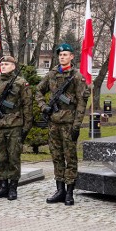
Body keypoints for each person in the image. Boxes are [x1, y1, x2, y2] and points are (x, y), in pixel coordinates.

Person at [35, 43, 89, 206]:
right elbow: (38, 91)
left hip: (69, 124)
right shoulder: (51, 74)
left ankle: (70, 192)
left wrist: (77, 126)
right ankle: (60, 190)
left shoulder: (77, 76)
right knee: (56, 157)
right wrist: (44, 107)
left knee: (70, 158)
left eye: (65, 54)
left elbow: (81, 103)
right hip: (53, 123)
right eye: (60, 55)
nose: (62, 57)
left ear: (72, 57)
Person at [0, 55, 32, 200]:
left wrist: (26, 128)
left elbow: (28, 107)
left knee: (14, 157)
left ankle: (13, 187)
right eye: (2, 64)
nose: (3, 66)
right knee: (1, 157)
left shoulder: (21, 83)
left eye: (7, 64)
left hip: (15, 125)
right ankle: (2, 186)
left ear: (14, 66)